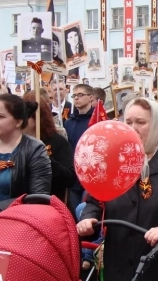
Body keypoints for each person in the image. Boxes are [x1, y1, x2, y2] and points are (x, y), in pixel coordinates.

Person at [77, 97, 158, 281]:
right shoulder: (114, 155)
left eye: (141, 122)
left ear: (156, 125)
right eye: (128, 122)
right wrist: (89, 217)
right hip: (119, 261)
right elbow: (95, 198)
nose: (133, 127)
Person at [0, 94, 52, 222]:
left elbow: (38, 198)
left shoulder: (34, 149)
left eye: (0, 116)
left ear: (18, 122)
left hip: (13, 225)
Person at [22, 92, 75, 202]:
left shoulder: (56, 141)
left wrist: (44, 157)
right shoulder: (15, 142)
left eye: (26, 117)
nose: (21, 121)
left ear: (38, 118)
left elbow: (70, 178)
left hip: (50, 203)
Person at [65, 84, 94, 219]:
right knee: (74, 214)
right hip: (73, 175)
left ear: (90, 98)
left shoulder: (96, 120)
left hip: (91, 173)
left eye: (80, 95)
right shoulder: (69, 122)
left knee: (86, 212)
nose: (76, 98)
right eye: (74, 95)